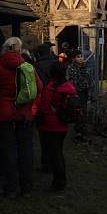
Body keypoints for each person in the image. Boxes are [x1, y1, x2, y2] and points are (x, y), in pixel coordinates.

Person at [0, 36, 42, 197]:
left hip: (5, 114)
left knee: (8, 149)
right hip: (23, 113)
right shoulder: (27, 67)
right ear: (19, 50)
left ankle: (11, 187)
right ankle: (26, 187)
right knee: (26, 149)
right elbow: (39, 87)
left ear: (4, 49)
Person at [37, 61, 77, 191]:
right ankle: (60, 179)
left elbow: (44, 106)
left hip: (51, 124)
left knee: (55, 154)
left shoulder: (50, 88)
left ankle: (59, 181)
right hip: (63, 123)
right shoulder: (69, 87)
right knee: (58, 152)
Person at [34, 42, 57, 172]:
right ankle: (55, 162)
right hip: (55, 99)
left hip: (42, 100)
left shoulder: (36, 66)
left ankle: (46, 163)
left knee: (43, 135)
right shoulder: (55, 64)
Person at [67, 49, 92, 140]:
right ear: (74, 59)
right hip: (76, 93)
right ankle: (78, 131)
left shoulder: (85, 67)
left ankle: (83, 129)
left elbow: (89, 79)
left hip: (84, 92)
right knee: (78, 112)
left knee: (84, 111)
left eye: (81, 56)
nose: (81, 58)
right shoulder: (71, 68)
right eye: (78, 57)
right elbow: (71, 81)